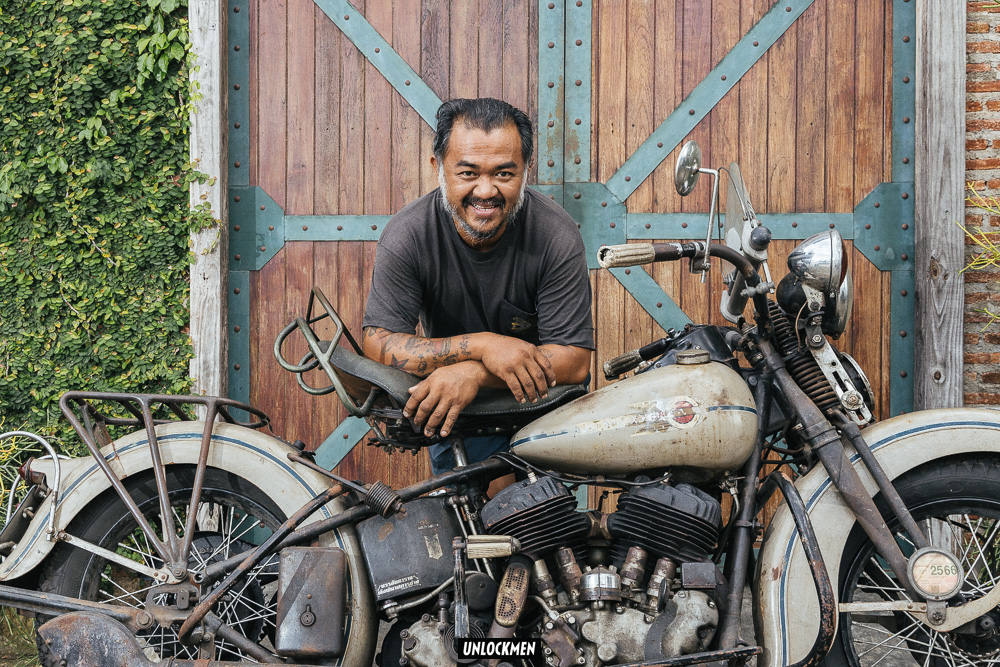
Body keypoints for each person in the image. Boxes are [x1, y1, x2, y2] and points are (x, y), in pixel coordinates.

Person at [361, 98, 594, 473]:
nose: (485, 191)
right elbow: (377, 343)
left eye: (504, 174)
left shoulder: (555, 234)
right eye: (468, 173)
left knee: (539, 509)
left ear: (526, 169)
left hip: (539, 410)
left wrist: (474, 371)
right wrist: (484, 346)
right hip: (455, 409)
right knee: (463, 508)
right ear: (438, 168)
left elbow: (575, 360)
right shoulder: (408, 235)